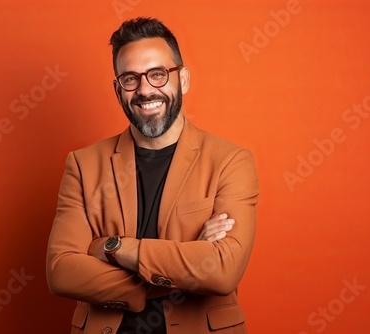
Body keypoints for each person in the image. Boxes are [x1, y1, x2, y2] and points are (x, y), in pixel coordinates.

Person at [47, 17, 259, 334]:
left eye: (158, 74)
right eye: (130, 79)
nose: (146, 90)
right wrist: (186, 260)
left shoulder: (231, 160)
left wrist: (113, 247)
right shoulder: (83, 164)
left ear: (183, 79)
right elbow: (61, 272)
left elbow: (222, 272)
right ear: (118, 90)